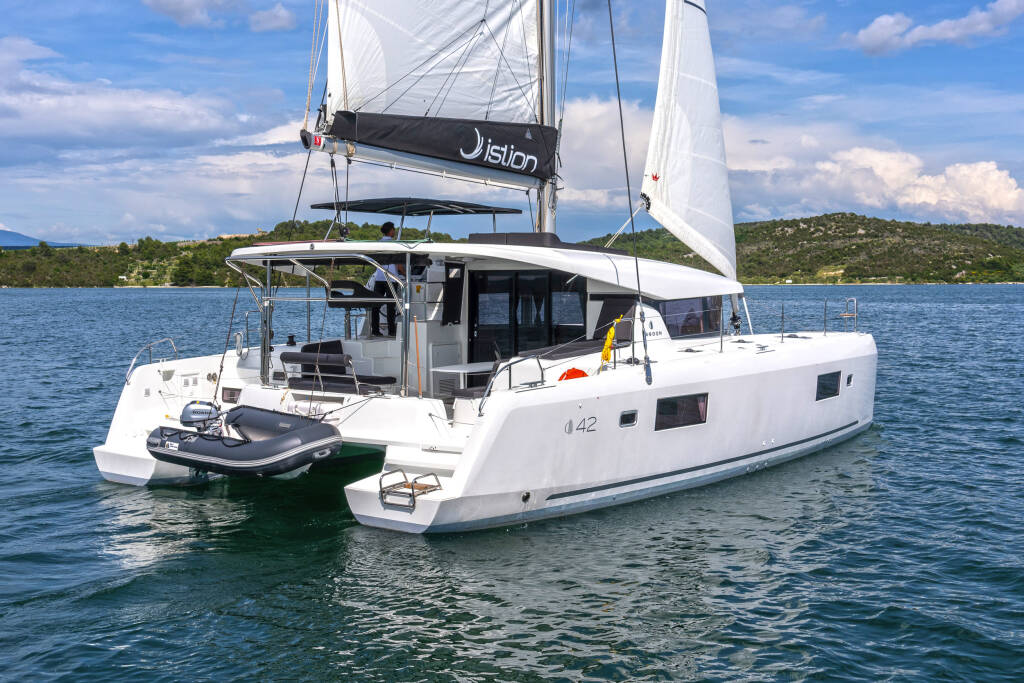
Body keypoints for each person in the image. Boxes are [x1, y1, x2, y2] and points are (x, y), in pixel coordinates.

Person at [371, 222, 403, 336]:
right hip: (392, 278)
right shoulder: (394, 244)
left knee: (375, 305)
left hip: (379, 278)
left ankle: (375, 330)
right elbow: (398, 265)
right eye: (393, 229)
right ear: (390, 231)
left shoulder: (378, 244)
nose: (394, 231)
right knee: (391, 306)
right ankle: (391, 331)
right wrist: (406, 274)